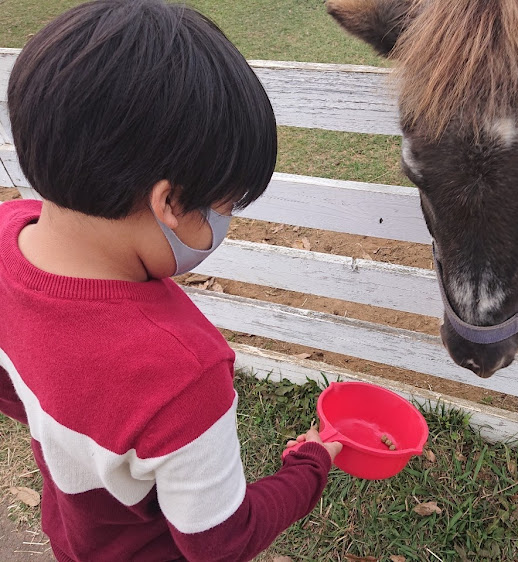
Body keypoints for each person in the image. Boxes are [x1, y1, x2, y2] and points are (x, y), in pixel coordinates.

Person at [0, 1, 341, 560]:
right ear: (172, 202)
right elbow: (220, 542)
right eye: (226, 205)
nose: (225, 222)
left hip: (73, 540)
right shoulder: (183, 372)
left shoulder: (6, 237)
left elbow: (17, 390)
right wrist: (311, 466)